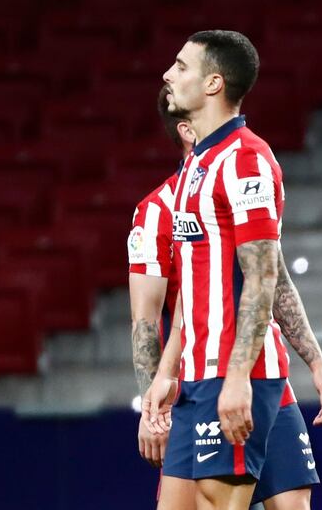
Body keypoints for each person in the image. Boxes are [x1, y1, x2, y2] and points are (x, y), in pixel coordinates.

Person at [143, 30, 322, 510]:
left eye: (182, 66)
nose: (169, 75)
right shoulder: (197, 167)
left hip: (236, 373)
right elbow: (194, 285)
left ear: (213, 84)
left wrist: (238, 378)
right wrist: (166, 372)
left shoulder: (246, 160)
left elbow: (263, 276)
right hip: (196, 376)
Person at [129, 87, 196, 506]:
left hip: (261, 386)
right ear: (188, 130)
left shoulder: (248, 186)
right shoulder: (156, 212)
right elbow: (146, 320)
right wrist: (158, 411)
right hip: (194, 397)